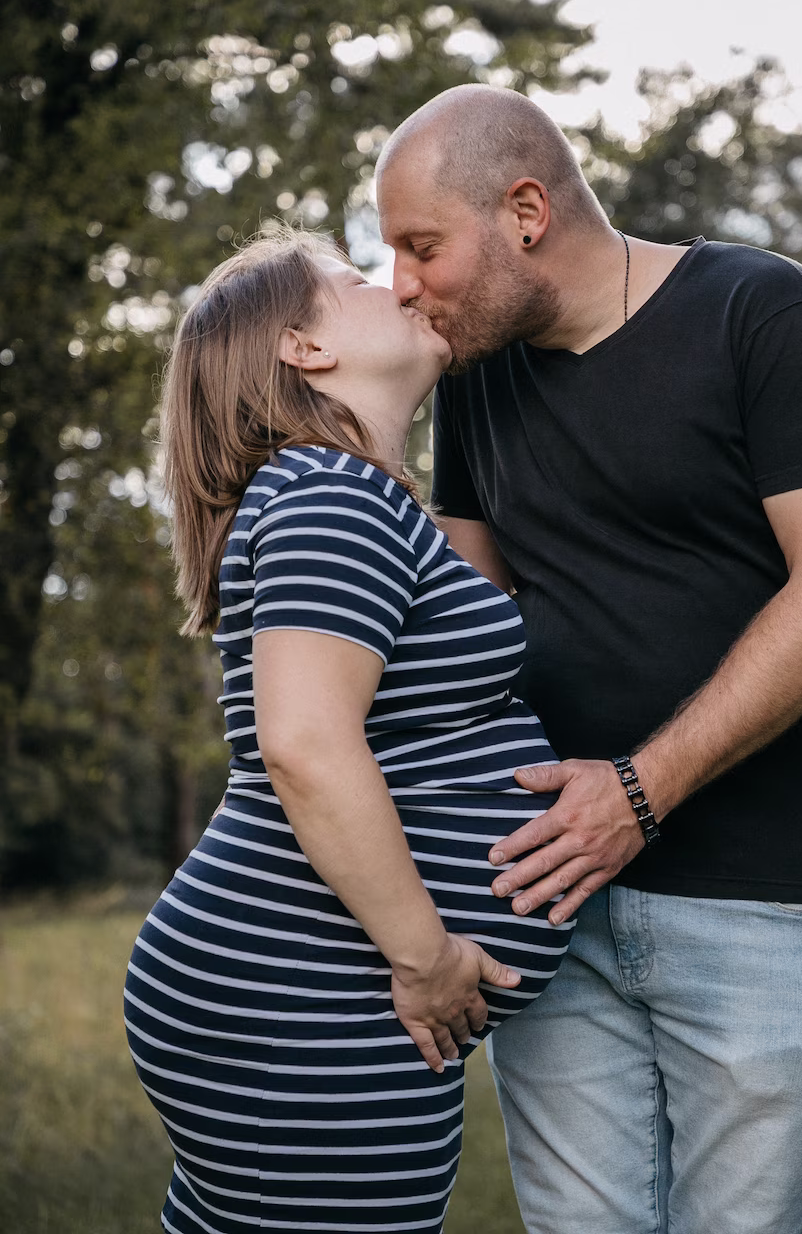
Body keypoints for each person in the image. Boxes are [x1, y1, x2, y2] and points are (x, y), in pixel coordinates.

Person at [376, 83, 802, 1234]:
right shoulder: (477, 377)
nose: (401, 282)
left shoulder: (762, 312)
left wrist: (638, 794)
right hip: (547, 896)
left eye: (420, 247)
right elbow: (458, 619)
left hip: (763, 897)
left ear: (525, 209)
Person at [123, 225, 577, 1234]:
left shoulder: (346, 495)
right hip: (310, 999)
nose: (399, 287)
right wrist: (425, 958)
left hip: (300, 989)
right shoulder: (333, 492)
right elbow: (305, 743)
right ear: (303, 346)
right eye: (358, 280)